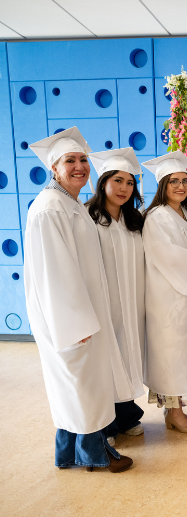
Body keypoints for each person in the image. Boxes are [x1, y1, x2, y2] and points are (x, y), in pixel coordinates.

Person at [25, 128, 132, 472]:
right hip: (71, 319)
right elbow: (55, 274)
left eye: (83, 160)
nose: (79, 166)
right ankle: (95, 454)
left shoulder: (69, 204)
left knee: (74, 387)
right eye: (69, 161)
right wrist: (74, 324)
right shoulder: (50, 208)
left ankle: (68, 452)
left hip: (80, 315)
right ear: (54, 167)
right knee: (82, 386)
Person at [141, 152, 187, 434]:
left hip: (186, 295)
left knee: (186, 355)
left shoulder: (186, 212)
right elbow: (169, 256)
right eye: (173, 182)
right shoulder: (157, 216)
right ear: (162, 186)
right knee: (171, 357)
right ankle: (173, 414)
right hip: (167, 297)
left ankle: (179, 411)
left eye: (184, 181)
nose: (181, 186)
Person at [86, 148, 147, 445]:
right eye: (118, 181)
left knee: (127, 355)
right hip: (103, 304)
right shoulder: (87, 218)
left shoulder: (134, 220)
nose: (124, 188)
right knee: (106, 359)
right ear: (103, 183)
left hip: (131, 303)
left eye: (130, 183)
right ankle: (105, 425)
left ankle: (126, 414)